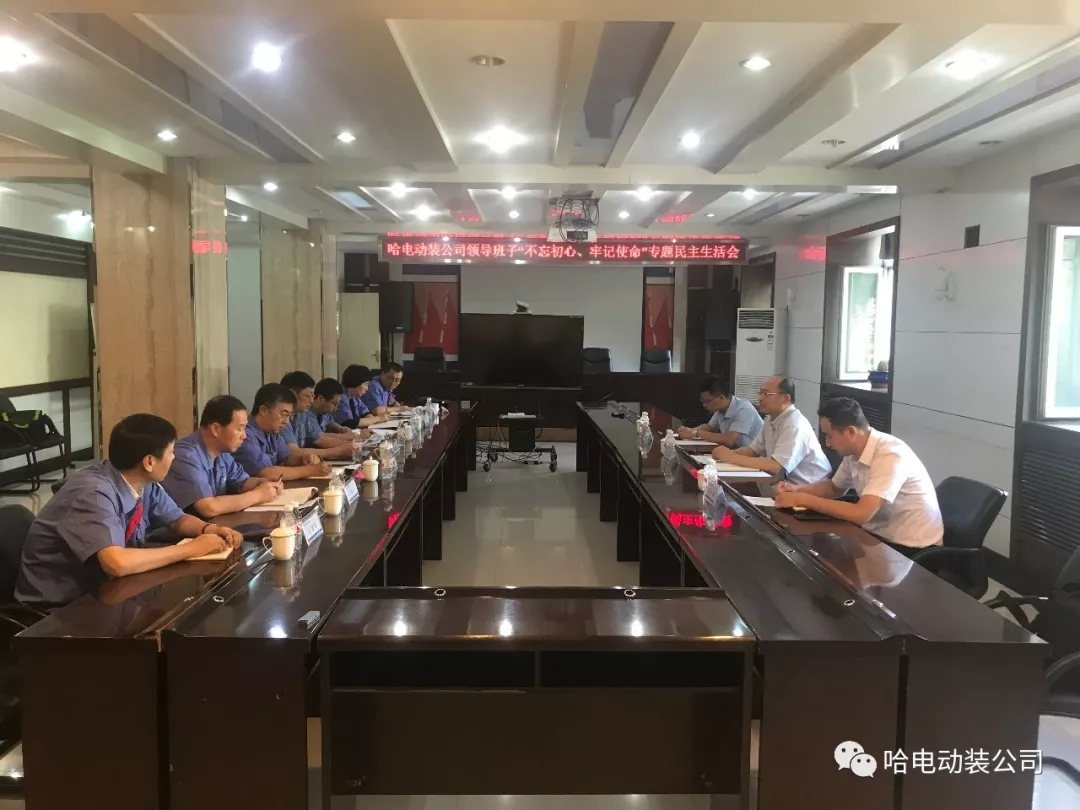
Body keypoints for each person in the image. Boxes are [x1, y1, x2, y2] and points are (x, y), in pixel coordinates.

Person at [15, 414, 244, 608]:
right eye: (171, 452)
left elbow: (177, 519)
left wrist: (208, 529)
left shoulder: (141, 481)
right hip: (60, 608)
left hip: (104, 590)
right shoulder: (93, 493)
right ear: (149, 462)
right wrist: (191, 549)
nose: (174, 458)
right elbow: (117, 563)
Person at [775, 397, 943, 556]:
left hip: (910, 548)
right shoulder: (853, 452)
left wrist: (803, 499)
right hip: (877, 535)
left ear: (851, 432)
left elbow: (861, 514)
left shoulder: (890, 454)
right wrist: (796, 489)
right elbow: (833, 488)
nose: (827, 443)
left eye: (830, 436)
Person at [162, 395, 285, 518]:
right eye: (239, 429)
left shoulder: (222, 452)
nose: (244, 436)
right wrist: (258, 495)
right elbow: (208, 507)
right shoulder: (186, 456)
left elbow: (242, 482)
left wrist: (262, 482)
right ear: (216, 429)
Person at [711, 375, 831, 485]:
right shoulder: (770, 418)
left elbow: (775, 466)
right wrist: (724, 455)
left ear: (786, 399)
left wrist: (730, 457)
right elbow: (752, 451)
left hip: (810, 488)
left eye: (766, 394)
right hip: (784, 485)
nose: (760, 398)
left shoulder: (795, 424)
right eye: (760, 392)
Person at [233, 383, 332, 480]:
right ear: (263, 410)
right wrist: (312, 470)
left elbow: (287, 458)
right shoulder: (245, 435)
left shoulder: (272, 432)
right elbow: (266, 473)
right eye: (283, 414)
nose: (286, 421)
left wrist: (303, 459)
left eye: (289, 416)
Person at [279, 372, 366, 459]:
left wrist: (352, 446)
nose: (311, 400)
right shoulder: (282, 419)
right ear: (292, 394)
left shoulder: (301, 414)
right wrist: (340, 450)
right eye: (308, 396)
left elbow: (318, 438)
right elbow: (294, 452)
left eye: (312, 396)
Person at [678, 376, 762, 448]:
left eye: (707, 401)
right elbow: (709, 427)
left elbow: (729, 440)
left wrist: (696, 433)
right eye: (702, 401)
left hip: (755, 457)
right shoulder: (720, 409)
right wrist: (690, 431)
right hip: (736, 452)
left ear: (721, 398)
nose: (704, 405)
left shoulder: (743, 409)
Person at [334, 364, 390, 429]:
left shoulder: (355, 397)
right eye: (366, 384)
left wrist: (370, 419)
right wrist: (377, 419)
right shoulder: (340, 397)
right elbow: (348, 423)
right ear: (356, 382)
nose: (367, 389)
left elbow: (365, 412)